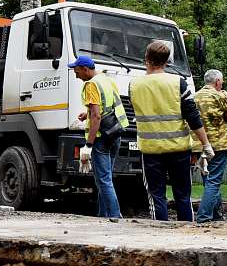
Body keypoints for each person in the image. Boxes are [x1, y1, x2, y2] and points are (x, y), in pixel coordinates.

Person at [129, 41, 214, 221]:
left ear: (146, 59)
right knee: (183, 196)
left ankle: (160, 236)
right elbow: (193, 117)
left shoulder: (134, 86)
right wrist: (206, 144)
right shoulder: (178, 83)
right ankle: (187, 235)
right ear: (167, 61)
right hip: (179, 150)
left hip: (151, 150)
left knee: (156, 197)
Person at [71, 55, 129, 218]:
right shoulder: (106, 79)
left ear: (85, 69)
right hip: (115, 133)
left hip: (101, 138)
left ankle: (115, 216)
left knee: (103, 180)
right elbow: (107, 106)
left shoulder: (91, 85)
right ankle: (103, 216)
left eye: (77, 72)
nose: (77, 76)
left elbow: (97, 116)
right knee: (105, 179)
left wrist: (88, 145)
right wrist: (87, 113)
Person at [191, 69, 227, 223]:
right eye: (222, 81)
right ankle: (204, 216)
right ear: (218, 82)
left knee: (208, 179)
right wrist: (225, 96)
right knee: (213, 181)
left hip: (199, 146)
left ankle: (216, 214)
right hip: (218, 145)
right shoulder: (219, 96)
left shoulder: (194, 96)